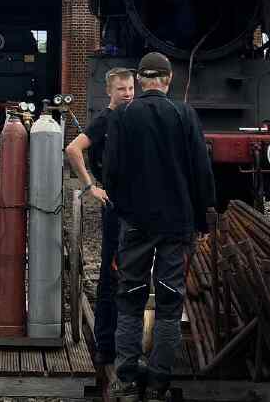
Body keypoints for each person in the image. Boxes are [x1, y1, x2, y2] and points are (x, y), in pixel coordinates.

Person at [103, 51, 216, 402]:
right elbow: (202, 172)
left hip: (136, 222)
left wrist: (124, 210)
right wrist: (201, 219)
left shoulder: (122, 115)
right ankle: (158, 383)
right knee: (170, 300)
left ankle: (126, 379)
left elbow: (110, 172)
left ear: (139, 80)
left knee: (130, 297)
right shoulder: (184, 114)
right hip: (177, 223)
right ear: (168, 80)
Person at [64, 67, 135, 366]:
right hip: (115, 205)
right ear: (109, 91)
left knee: (130, 269)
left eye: (131, 88)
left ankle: (124, 340)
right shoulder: (105, 119)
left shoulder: (134, 116)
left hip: (134, 204)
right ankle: (106, 343)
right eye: (121, 89)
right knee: (112, 271)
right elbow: (73, 149)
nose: (128, 94)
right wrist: (90, 186)